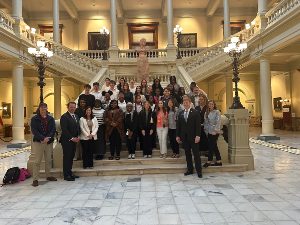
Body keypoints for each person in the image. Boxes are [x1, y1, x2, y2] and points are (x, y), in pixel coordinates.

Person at [30, 103, 57, 187]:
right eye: (41, 108)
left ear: (46, 109)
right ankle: (35, 179)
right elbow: (34, 131)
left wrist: (48, 138)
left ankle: (48, 176)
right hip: (39, 142)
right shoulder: (34, 119)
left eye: (44, 108)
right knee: (37, 161)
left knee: (48, 160)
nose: (43, 110)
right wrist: (42, 138)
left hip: (48, 142)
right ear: (39, 109)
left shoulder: (51, 118)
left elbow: (53, 129)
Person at [176, 95, 202, 178]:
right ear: (183, 104)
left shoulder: (195, 112)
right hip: (185, 138)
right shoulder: (180, 113)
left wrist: (198, 135)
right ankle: (190, 170)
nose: (185, 103)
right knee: (187, 154)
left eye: (187, 102)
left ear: (190, 103)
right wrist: (177, 136)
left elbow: (198, 125)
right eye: (184, 102)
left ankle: (199, 171)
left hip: (194, 137)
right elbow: (178, 126)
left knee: (196, 154)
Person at [60, 102, 81, 181]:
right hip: (67, 141)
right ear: (68, 107)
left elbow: (78, 127)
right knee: (67, 158)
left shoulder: (76, 116)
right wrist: (72, 138)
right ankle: (66, 175)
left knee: (71, 157)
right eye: (71, 107)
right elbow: (64, 130)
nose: (72, 108)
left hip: (74, 140)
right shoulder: (64, 117)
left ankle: (70, 172)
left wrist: (78, 136)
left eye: (74, 107)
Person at [203, 100, 222, 167]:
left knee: (211, 146)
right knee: (214, 146)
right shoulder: (206, 113)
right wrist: (206, 131)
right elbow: (206, 123)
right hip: (209, 131)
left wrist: (215, 131)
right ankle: (219, 160)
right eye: (209, 104)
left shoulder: (217, 112)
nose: (210, 105)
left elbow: (218, 121)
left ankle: (209, 161)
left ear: (214, 105)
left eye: (212, 104)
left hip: (215, 132)